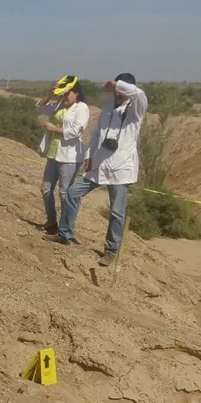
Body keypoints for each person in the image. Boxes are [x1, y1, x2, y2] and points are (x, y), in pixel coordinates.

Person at [44, 73, 148, 267]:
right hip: (99, 164)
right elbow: (96, 134)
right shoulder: (108, 109)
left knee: (116, 212)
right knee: (72, 193)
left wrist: (117, 83)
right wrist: (89, 156)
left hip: (121, 168)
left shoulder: (136, 108)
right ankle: (65, 234)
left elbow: (139, 93)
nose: (117, 92)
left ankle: (111, 250)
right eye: (116, 90)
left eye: (120, 89)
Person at [34, 76, 90, 233]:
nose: (65, 96)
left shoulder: (82, 108)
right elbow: (38, 108)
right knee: (46, 188)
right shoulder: (58, 104)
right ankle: (51, 221)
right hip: (53, 152)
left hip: (70, 156)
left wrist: (55, 129)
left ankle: (65, 228)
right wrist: (50, 94)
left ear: (76, 92)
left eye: (68, 93)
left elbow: (76, 131)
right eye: (63, 93)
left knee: (65, 192)